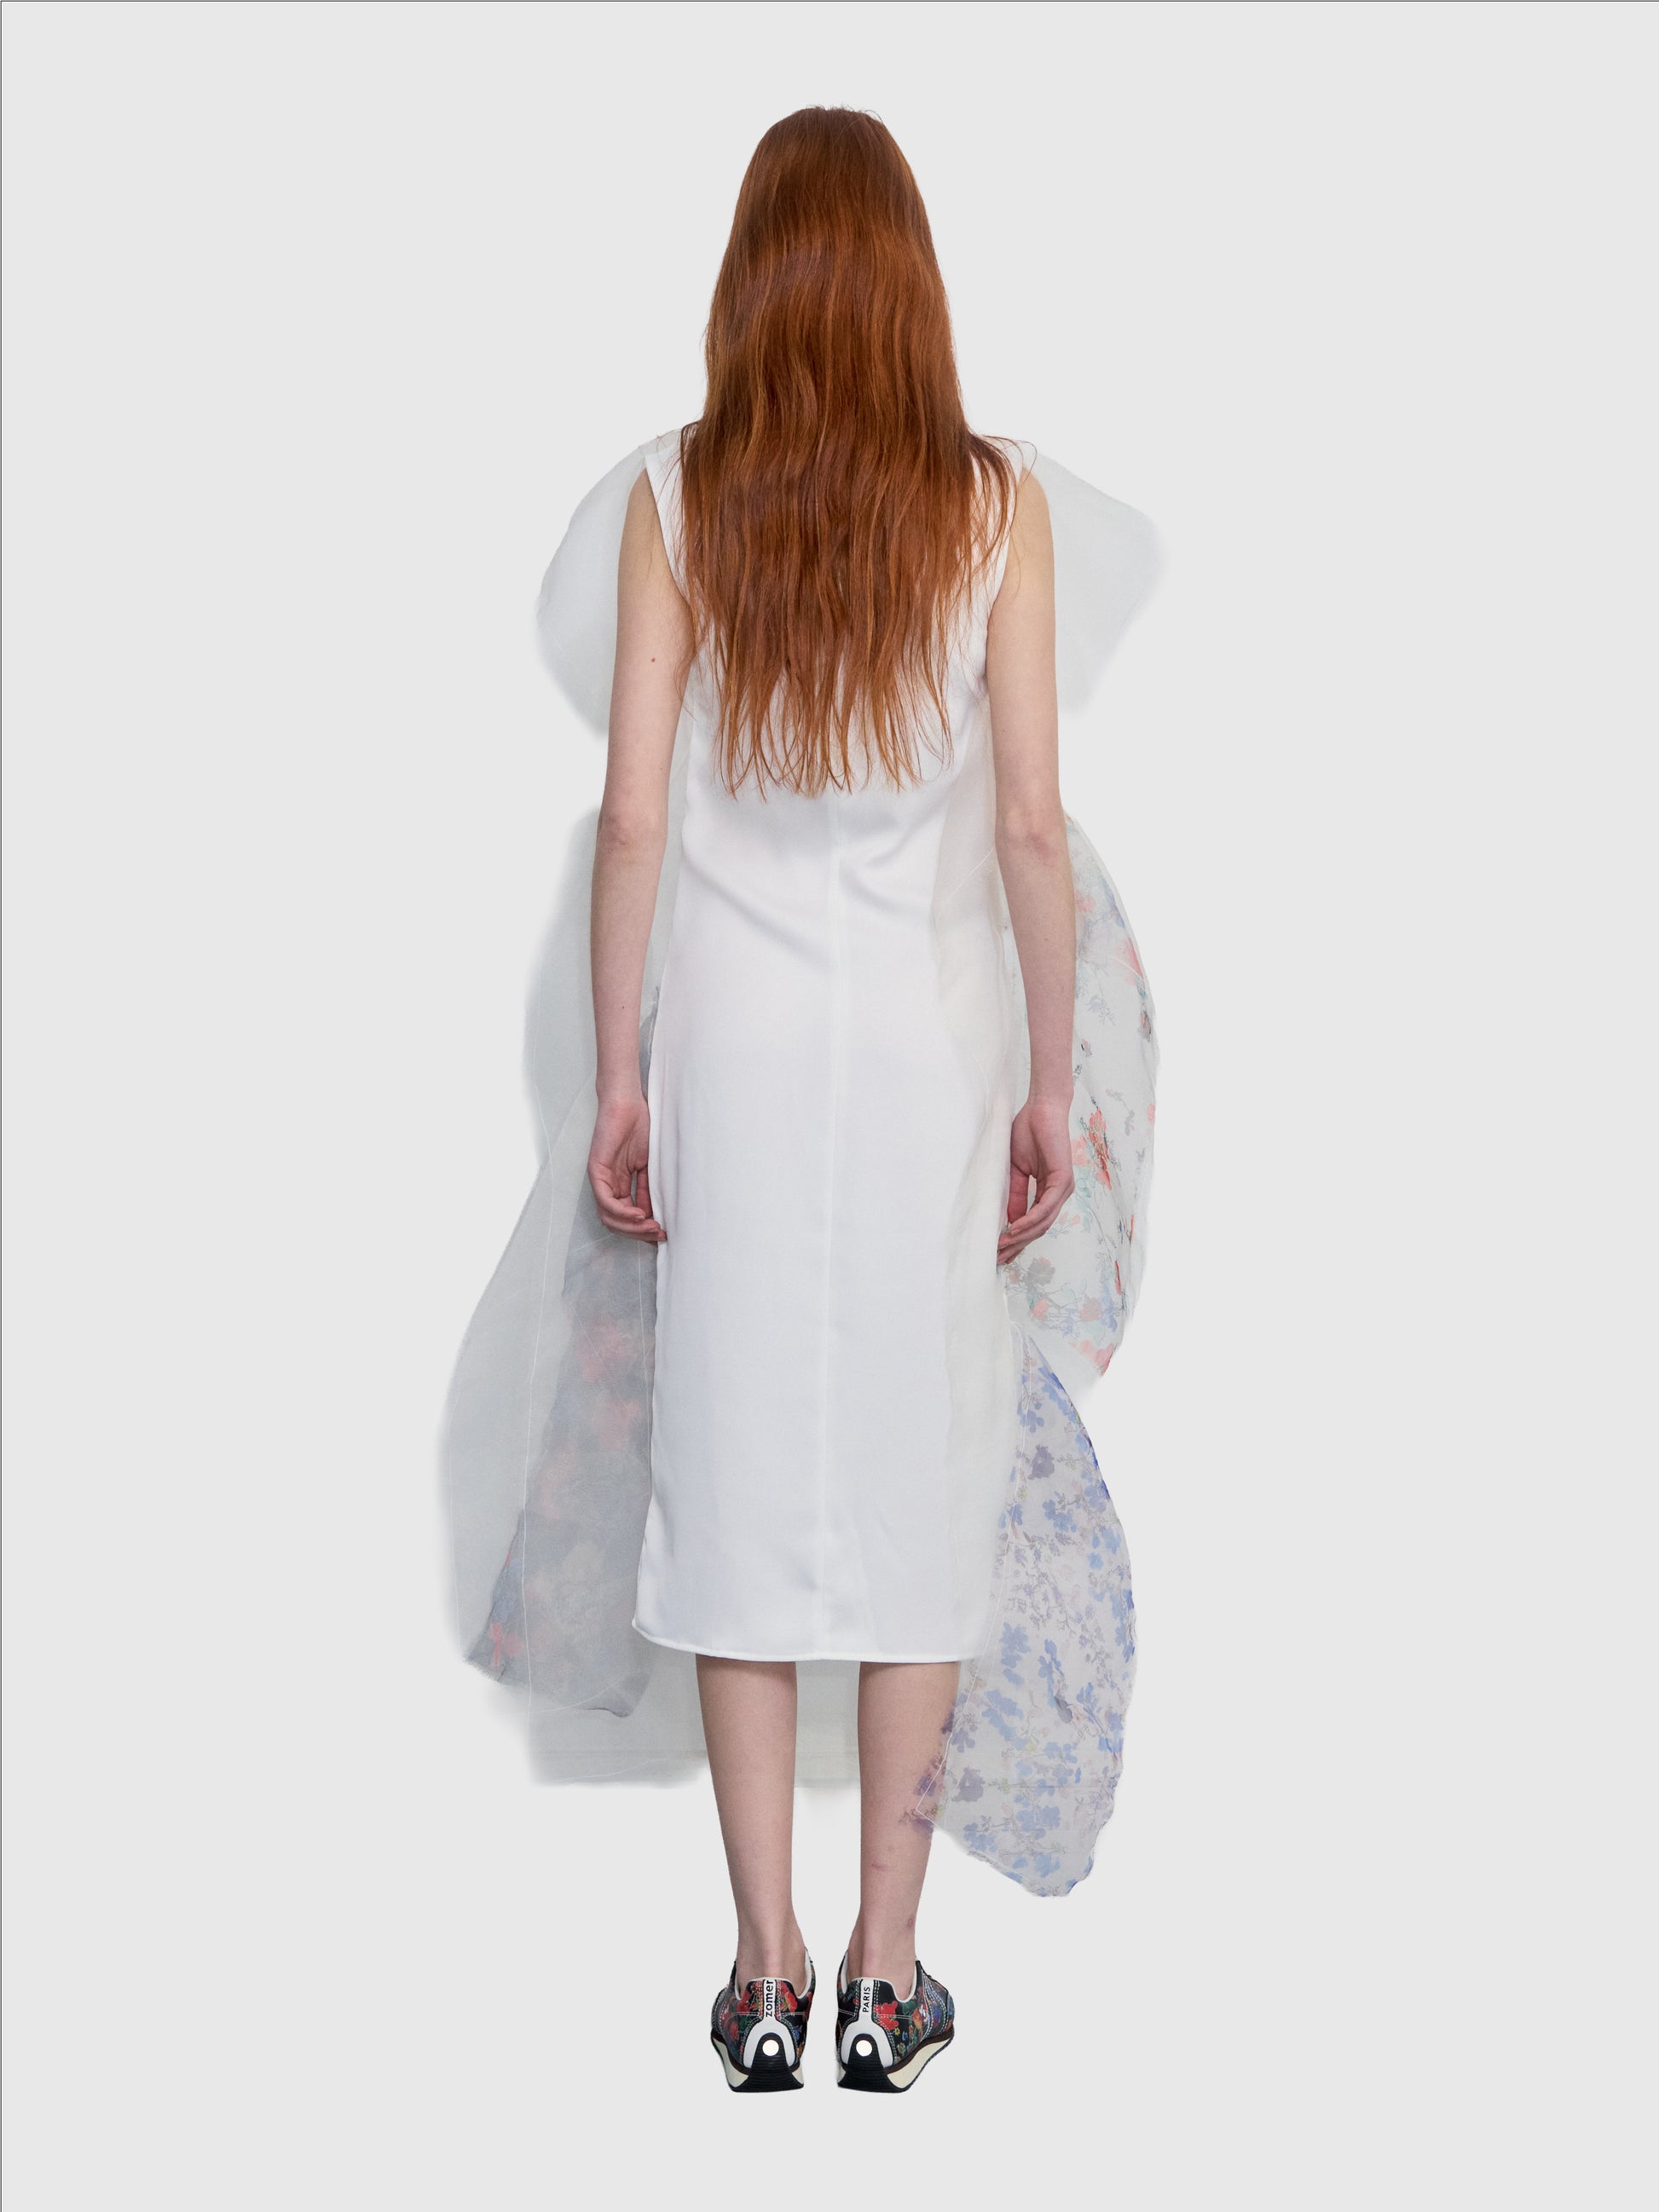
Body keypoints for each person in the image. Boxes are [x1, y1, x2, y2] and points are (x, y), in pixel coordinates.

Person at [442, 105, 1160, 2097]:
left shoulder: (677, 499)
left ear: (747, 281)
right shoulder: (995, 507)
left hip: (736, 1064)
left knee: (736, 1482)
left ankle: (758, 1972)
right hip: (931, 1056)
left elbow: (634, 820)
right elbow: (1028, 827)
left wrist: (619, 1074)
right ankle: (883, 1968)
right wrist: (1047, 1081)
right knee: (923, 1491)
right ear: (915, 282)